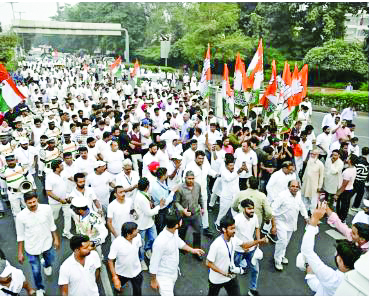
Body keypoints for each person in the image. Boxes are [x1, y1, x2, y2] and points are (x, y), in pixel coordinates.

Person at [300, 201, 363, 296]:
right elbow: (340, 225)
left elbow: (307, 251)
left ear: (340, 260)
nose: (350, 233)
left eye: (337, 254)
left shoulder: (333, 278)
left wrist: (314, 220)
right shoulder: (359, 276)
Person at [149, 211, 205, 296]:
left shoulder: (173, 231)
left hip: (174, 272)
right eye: (180, 220)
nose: (182, 221)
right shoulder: (160, 243)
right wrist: (153, 280)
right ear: (176, 225)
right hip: (164, 277)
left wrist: (193, 250)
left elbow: (178, 242)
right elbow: (153, 263)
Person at [16, 192, 60, 296]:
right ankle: (40, 288)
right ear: (25, 203)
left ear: (37, 199)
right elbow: (20, 236)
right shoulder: (20, 216)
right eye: (29, 202)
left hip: (47, 243)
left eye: (34, 201)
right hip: (32, 248)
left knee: (50, 260)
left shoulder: (47, 209)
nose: (32, 204)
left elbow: (52, 225)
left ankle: (46, 263)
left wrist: (56, 239)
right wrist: (20, 252)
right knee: (35, 271)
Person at [232, 199, 269, 296]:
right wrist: (242, 245)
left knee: (255, 270)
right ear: (243, 209)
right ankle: (231, 291)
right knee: (232, 271)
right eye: (249, 209)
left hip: (251, 249)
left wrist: (257, 241)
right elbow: (231, 234)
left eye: (253, 208)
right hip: (238, 250)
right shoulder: (237, 219)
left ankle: (253, 289)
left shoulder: (255, 216)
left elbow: (257, 228)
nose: (252, 211)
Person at [272, 180, 309, 270]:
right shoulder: (282, 196)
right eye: (293, 186)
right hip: (280, 222)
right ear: (288, 187)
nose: (295, 188)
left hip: (291, 223)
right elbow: (272, 209)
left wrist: (306, 217)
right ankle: (277, 260)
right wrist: (273, 225)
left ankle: (281, 255)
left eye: (297, 187)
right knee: (282, 241)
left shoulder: (299, 195)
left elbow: (302, 206)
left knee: (286, 242)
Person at [184, 150, 218, 237]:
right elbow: (185, 179)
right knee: (193, 213)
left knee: (204, 210)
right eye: (199, 158)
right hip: (193, 194)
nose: (201, 160)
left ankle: (205, 228)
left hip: (203, 192)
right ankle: (186, 232)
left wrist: (217, 174)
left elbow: (209, 171)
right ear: (195, 158)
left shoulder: (205, 164)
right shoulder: (190, 166)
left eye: (202, 158)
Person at [232, 176, 276, 242]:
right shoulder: (262, 196)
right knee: (253, 239)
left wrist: (239, 210)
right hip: (257, 222)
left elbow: (234, 206)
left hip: (242, 219)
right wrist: (266, 219)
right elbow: (269, 212)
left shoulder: (240, 194)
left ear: (248, 184)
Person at [135, 177, 165, 271]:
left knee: (154, 239)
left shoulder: (144, 193)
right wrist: (159, 206)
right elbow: (149, 213)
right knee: (141, 245)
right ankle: (141, 260)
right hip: (142, 225)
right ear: (147, 186)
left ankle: (148, 250)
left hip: (150, 222)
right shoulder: (141, 198)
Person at [205, 215, 240, 296]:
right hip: (216, 280)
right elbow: (208, 263)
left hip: (230, 277)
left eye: (234, 228)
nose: (234, 231)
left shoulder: (233, 239)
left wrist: (259, 241)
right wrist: (224, 273)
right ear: (224, 229)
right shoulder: (216, 244)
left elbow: (244, 245)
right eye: (231, 228)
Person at [174, 170, 203, 260]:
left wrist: (202, 207)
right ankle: (182, 247)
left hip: (196, 214)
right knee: (182, 232)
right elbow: (176, 202)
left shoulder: (198, 186)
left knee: (198, 232)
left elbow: (200, 197)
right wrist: (183, 210)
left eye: (192, 178)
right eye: (189, 178)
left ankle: (196, 251)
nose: (191, 180)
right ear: (185, 178)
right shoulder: (180, 188)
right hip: (184, 216)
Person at [108, 222, 143, 296]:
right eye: (135, 230)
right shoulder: (116, 243)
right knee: (117, 288)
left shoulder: (138, 237)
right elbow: (110, 261)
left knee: (138, 292)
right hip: (122, 273)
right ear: (128, 234)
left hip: (136, 271)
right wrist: (115, 277)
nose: (138, 231)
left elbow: (138, 250)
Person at [45, 159, 73, 239]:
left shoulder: (64, 172)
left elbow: (71, 178)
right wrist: (60, 200)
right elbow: (49, 192)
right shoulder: (49, 177)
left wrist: (79, 180)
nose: (63, 166)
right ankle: (47, 231)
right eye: (61, 165)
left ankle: (66, 232)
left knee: (68, 215)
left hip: (66, 199)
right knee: (54, 218)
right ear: (57, 168)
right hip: (55, 202)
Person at [301, 148, 324, 214]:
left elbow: (321, 176)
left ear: (318, 155)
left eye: (314, 154)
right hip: (306, 183)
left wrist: (319, 186)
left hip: (314, 185)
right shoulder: (309, 161)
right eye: (311, 154)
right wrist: (303, 179)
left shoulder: (320, 164)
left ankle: (312, 212)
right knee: (305, 197)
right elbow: (306, 171)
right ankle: (305, 210)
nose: (312, 155)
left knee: (313, 199)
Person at [335, 155, 357, 222]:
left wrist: (337, 194)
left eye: (348, 157)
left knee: (342, 206)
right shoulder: (354, 168)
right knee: (346, 205)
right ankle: (342, 218)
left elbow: (344, 185)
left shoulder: (347, 172)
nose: (347, 158)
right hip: (350, 189)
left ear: (350, 160)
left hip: (345, 191)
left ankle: (340, 219)